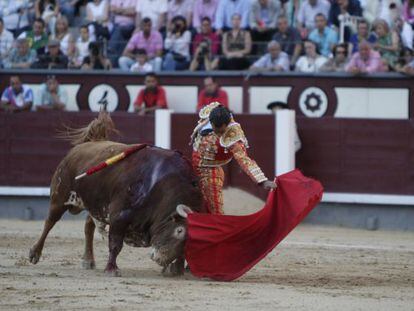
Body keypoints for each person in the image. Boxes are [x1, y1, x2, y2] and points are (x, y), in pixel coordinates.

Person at [191, 103, 276, 215]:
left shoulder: (233, 135)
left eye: (221, 131)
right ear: (211, 122)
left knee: (215, 208)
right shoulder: (212, 112)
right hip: (195, 161)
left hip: (209, 169)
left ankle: (216, 228)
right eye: (216, 129)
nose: (218, 133)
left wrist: (262, 180)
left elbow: (244, 159)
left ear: (227, 124)